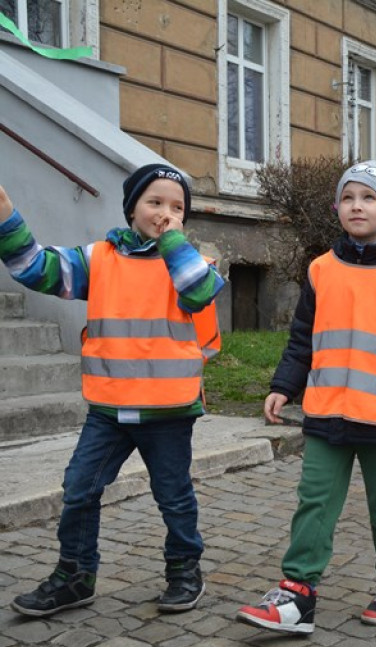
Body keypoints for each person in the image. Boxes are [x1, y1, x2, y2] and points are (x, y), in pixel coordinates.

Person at [1, 164, 225, 616]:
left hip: (168, 412)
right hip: (108, 410)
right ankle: (75, 576)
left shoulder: (189, 260)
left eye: (177, 207)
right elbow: (36, 269)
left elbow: (199, 293)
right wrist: (6, 215)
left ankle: (184, 569)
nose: (166, 212)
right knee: (79, 488)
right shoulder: (98, 258)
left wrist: (173, 241)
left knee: (173, 495)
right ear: (131, 209)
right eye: (155, 202)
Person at [237, 161, 376, 634]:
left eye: (369, 197)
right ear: (337, 207)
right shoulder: (321, 269)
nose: (357, 206)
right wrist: (283, 385)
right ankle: (297, 594)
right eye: (348, 197)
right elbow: (302, 336)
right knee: (314, 502)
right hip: (326, 411)